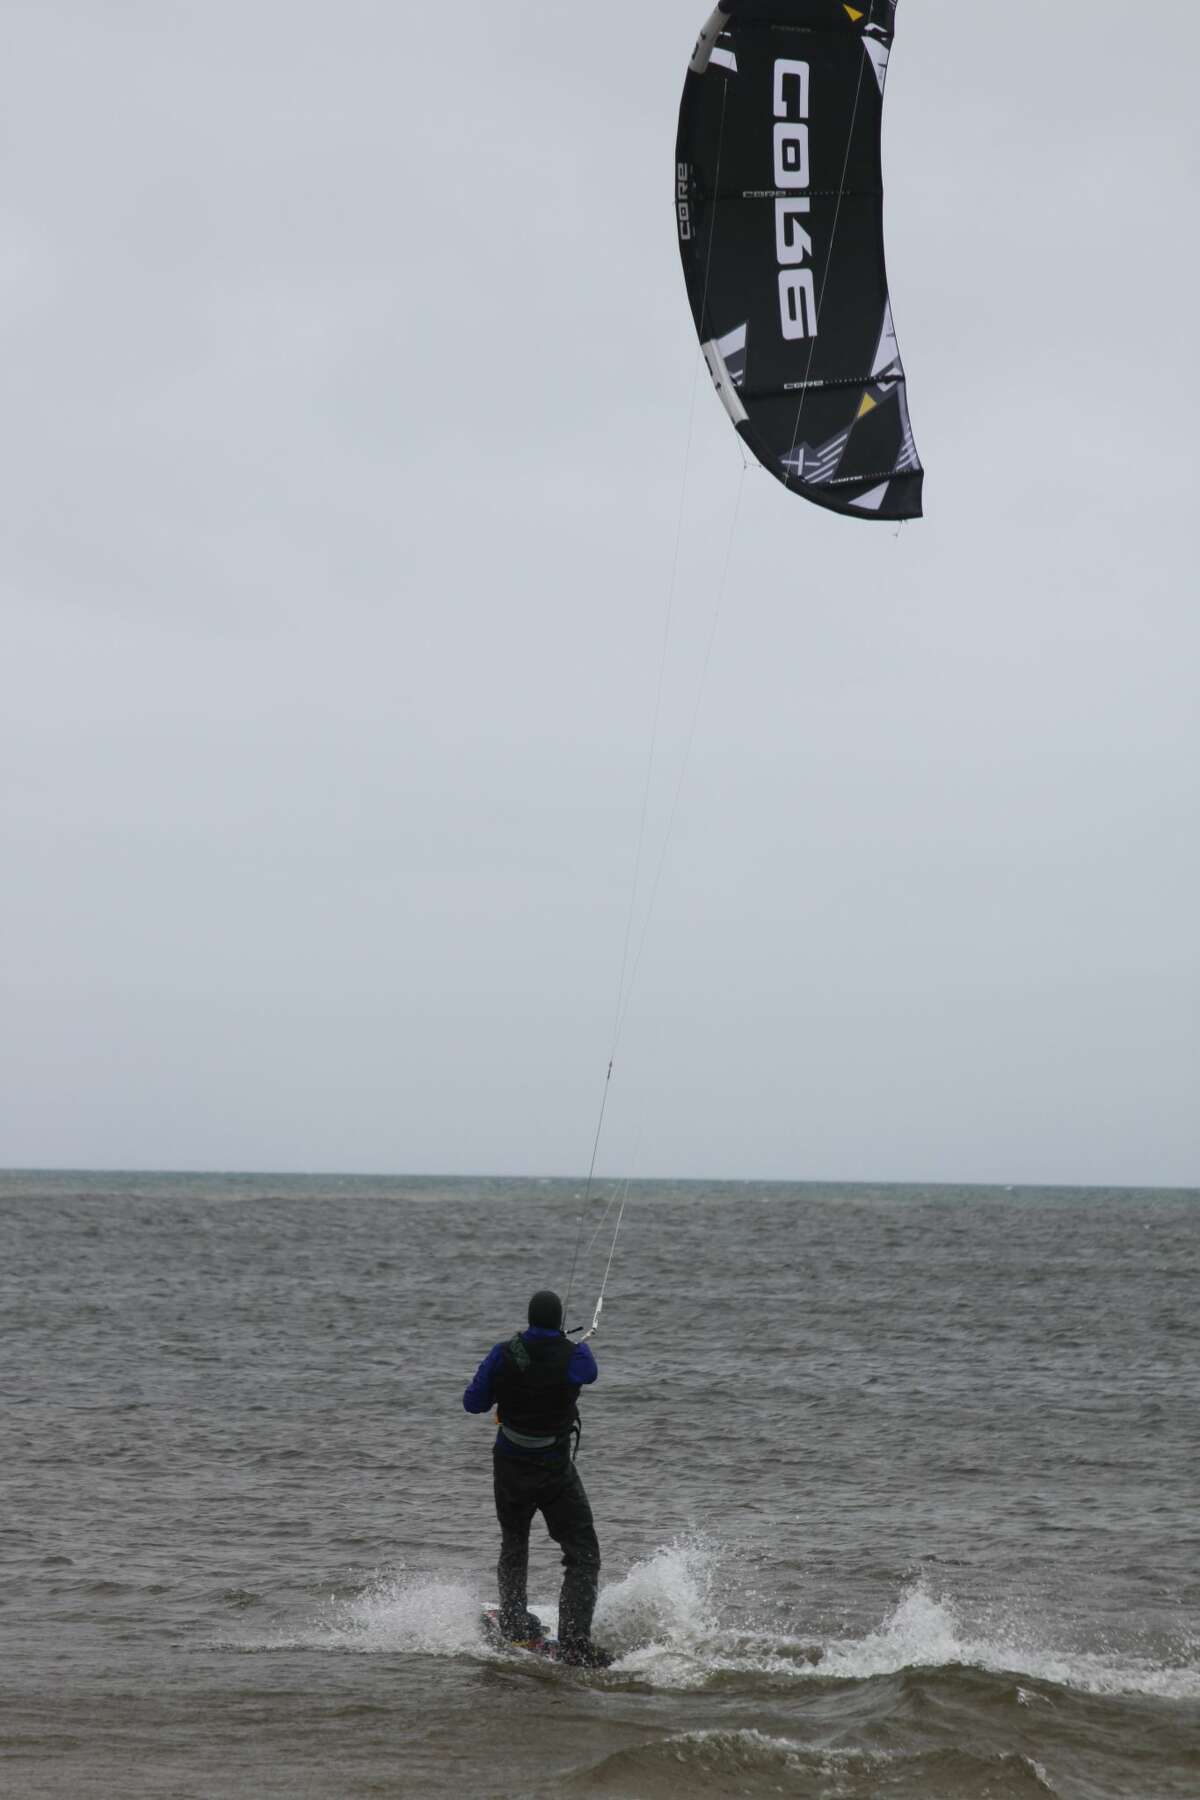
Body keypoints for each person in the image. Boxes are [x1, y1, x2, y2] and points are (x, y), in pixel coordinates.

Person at [463, 1288, 609, 1667]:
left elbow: (473, 1403)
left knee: (514, 1543)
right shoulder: (575, 1356)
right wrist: (576, 1344)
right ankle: (576, 1640)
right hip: (554, 1470)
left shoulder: (503, 1352)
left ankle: (513, 1622)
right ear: (558, 1321)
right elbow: (589, 1373)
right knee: (583, 1553)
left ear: (529, 1320)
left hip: (511, 1465)